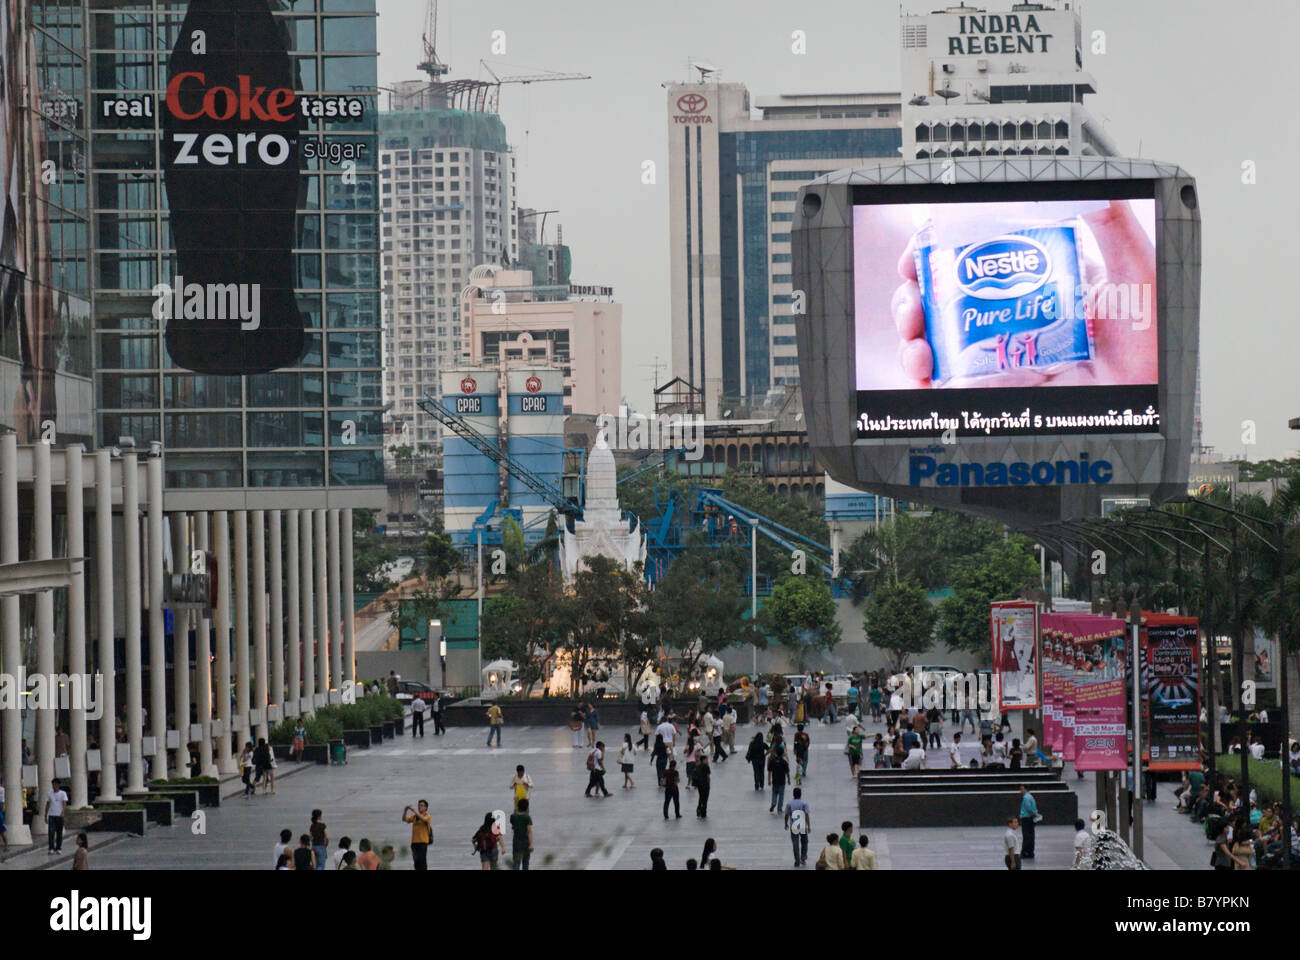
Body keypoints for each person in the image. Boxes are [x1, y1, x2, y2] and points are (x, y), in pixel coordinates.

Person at [785, 787, 812, 866]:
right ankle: (803, 857)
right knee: (804, 842)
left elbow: (786, 814)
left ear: (793, 794)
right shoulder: (804, 803)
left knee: (795, 843)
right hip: (802, 825)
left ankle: (797, 860)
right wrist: (809, 826)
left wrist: (786, 823)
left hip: (794, 826)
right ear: (800, 794)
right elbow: (807, 815)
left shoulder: (789, 803)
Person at [403, 800, 432, 870]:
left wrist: (414, 810)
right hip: (414, 843)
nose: (419, 807)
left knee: (422, 862)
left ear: (426, 808)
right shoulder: (415, 817)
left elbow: (424, 819)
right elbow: (404, 819)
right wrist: (405, 810)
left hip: (422, 842)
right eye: (419, 805)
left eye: (421, 805)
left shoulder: (427, 816)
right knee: (416, 862)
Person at [43, 778, 69, 854]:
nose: (54, 786)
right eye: (53, 784)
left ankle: (58, 847)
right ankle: (51, 847)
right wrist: (46, 814)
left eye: (55, 784)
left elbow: (64, 804)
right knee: (51, 832)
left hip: (59, 815)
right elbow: (47, 804)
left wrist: (62, 812)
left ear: (58, 785)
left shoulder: (62, 793)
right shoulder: (49, 793)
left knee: (59, 832)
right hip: (51, 815)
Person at [510, 798, 534, 870]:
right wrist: (531, 844)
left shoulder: (513, 816)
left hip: (516, 842)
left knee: (516, 863)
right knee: (525, 863)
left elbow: (513, 825)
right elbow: (529, 831)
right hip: (525, 842)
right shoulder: (527, 817)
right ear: (527, 807)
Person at [768, 744, 791, 814]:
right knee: (781, 795)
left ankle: (774, 802)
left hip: (775, 780)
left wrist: (769, 780)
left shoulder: (772, 761)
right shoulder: (784, 762)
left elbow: (769, 771)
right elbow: (787, 772)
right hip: (782, 781)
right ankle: (779, 808)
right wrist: (789, 779)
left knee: (774, 792)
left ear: (776, 753)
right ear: (782, 754)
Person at [1019, 785, 1039, 860]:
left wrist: (1033, 813)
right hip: (1031, 818)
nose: (1020, 791)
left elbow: (1028, 807)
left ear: (1026, 789)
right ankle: (1030, 852)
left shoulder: (1026, 798)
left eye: (1022, 789)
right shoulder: (1030, 797)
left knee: (1026, 836)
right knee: (1031, 835)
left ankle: (1024, 852)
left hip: (1026, 818)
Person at [694, 751, 711, 819]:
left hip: (699, 784)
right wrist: (709, 784)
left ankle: (698, 809)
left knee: (701, 797)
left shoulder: (698, 766)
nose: (707, 761)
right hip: (705, 784)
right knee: (705, 799)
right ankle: (703, 813)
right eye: (707, 759)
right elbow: (708, 776)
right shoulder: (706, 767)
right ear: (704, 760)